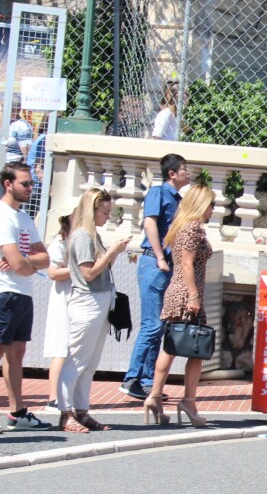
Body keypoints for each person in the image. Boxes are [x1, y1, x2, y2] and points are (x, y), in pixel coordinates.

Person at [0, 161, 51, 433]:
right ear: (8, 184)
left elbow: (44, 258)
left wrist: (26, 261)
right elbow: (19, 265)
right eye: (25, 183)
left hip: (22, 292)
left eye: (31, 183)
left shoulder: (23, 218)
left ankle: (17, 413)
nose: (30, 188)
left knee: (17, 353)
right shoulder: (0, 216)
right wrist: (26, 262)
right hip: (1, 291)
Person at [57, 188, 131, 433]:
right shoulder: (83, 237)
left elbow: (99, 268)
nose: (107, 216)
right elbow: (88, 273)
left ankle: (81, 410)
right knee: (77, 360)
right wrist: (111, 252)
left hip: (98, 301)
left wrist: (114, 253)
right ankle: (66, 413)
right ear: (93, 210)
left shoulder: (91, 235)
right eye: (105, 211)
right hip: (87, 302)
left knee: (88, 363)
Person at [144, 186, 214, 428]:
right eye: (211, 204)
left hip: (179, 292)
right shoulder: (192, 229)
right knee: (196, 351)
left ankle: (154, 397)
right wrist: (194, 297)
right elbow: (186, 264)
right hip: (186, 294)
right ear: (201, 204)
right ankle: (189, 401)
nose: (213, 210)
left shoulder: (181, 226)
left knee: (171, 347)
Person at [122, 153, 190, 399]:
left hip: (165, 264)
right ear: (172, 173)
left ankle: (148, 381)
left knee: (159, 325)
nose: (188, 173)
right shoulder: (158, 193)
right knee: (152, 325)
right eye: (184, 169)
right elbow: (150, 224)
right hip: (154, 263)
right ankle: (132, 378)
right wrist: (160, 257)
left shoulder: (178, 199)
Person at [42, 197, 77, 409]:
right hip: (62, 298)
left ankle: (67, 396)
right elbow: (53, 272)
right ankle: (53, 398)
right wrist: (79, 270)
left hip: (77, 298)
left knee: (72, 348)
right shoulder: (59, 242)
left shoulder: (81, 239)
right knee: (60, 348)